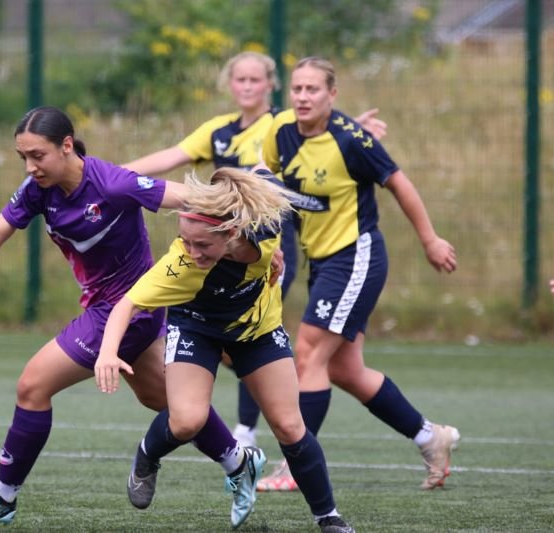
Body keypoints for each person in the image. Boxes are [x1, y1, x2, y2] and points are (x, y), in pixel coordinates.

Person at [0, 106, 260, 525]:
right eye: (22, 156)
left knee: (33, 385)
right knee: (165, 401)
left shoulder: (113, 184)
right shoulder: (37, 190)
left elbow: (192, 199)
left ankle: (3, 495)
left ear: (66, 146)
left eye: (37, 155)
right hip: (116, 309)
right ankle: (238, 460)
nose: (30, 166)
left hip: (125, 310)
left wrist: (257, 235)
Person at [124, 50, 387, 449]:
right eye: (240, 80)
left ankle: (246, 431)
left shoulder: (282, 125)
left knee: (253, 329)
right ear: (230, 85)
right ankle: (244, 414)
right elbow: (171, 156)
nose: (247, 87)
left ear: (270, 85)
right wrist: (110, 174)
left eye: (255, 80)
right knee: (231, 339)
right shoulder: (219, 130)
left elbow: (327, 135)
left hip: (265, 251)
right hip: (216, 250)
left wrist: (353, 128)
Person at [94, 167, 354, 533]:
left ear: (232, 233)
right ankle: (147, 456)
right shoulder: (180, 266)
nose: (191, 251)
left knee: (290, 426)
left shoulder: (263, 229)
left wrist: (274, 257)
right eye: (185, 240)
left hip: (257, 330)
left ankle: (328, 518)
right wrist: (108, 352)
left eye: (202, 245)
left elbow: (263, 177)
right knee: (187, 420)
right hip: (196, 328)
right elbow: (127, 305)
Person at [257, 56, 460, 493]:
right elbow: (267, 180)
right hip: (322, 261)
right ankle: (431, 437)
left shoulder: (352, 140)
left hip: (356, 257)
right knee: (345, 369)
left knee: (308, 354)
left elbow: (400, 183)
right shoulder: (280, 131)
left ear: (333, 95)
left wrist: (430, 240)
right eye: (297, 89)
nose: (303, 97)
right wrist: (269, 244)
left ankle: (296, 467)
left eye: (313, 89)